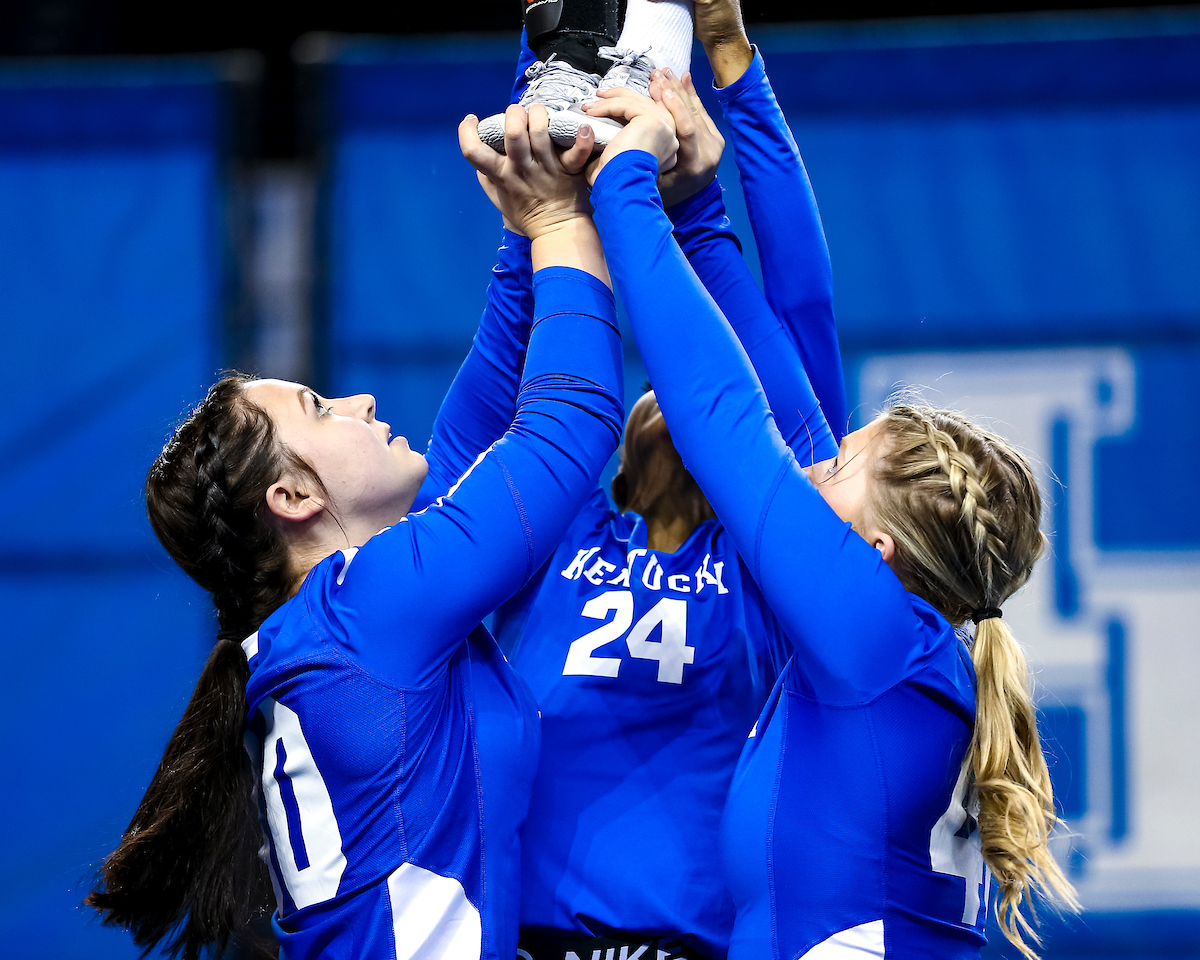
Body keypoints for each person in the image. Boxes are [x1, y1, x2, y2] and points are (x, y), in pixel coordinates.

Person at [582, 19, 1080, 960]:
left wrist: (626, 190)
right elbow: (793, 343)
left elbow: (725, 416)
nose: (814, 460)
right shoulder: (889, 634)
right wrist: (708, 157)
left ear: (876, 550)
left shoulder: (877, 636)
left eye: (840, 467)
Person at [86, 108, 625, 960]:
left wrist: (522, 220)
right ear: (294, 495)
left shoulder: (336, 621)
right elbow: (571, 423)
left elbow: (483, 421)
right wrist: (560, 220)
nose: (359, 401)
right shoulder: (369, 612)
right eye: (319, 407)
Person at [432, 13, 844, 960]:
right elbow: (516, 406)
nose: (669, 394)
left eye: (692, 394)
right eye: (647, 387)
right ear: (608, 462)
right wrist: (544, 128)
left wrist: (698, 206)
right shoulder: (561, 539)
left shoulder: (770, 566)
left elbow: (799, 329)